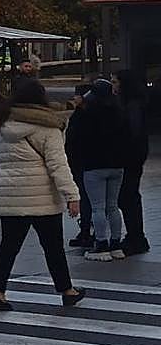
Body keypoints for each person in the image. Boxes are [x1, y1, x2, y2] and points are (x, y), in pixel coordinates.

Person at [0, 78, 86, 311]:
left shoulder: (2, 123)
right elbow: (58, 164)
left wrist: (3, 185)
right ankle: (67, 290)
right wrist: (72, 195)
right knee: (52, 247)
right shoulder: (48, 126)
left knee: (8, 246)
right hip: (41, 196)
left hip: (10, 193)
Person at [67, 78, 128, 261]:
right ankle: (116, 244)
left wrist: (79, 108)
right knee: (113, 206)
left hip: (93, 165)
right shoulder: (119, 112)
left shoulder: (87, 114)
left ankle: (101, 245)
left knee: (97, 208)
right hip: (117, 165)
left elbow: (74, 138)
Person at [115, 69, 150, 256]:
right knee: (129, 196)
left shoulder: (131, 106)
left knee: (128, 196)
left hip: (130, 157)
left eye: (115, 82)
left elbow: (132, 132)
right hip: (135, 155)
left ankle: (136, 236)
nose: (114, 86)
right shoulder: (134, 103)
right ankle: (135, 235)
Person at [65, 84, 94, 248]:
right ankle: (89, 230)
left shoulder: (82, 115)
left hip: (81, 162)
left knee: (86, 198)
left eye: (77, 95)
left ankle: (86, 231)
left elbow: (74, 139)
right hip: (83, 162)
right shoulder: (86, 113)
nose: (74, 98)